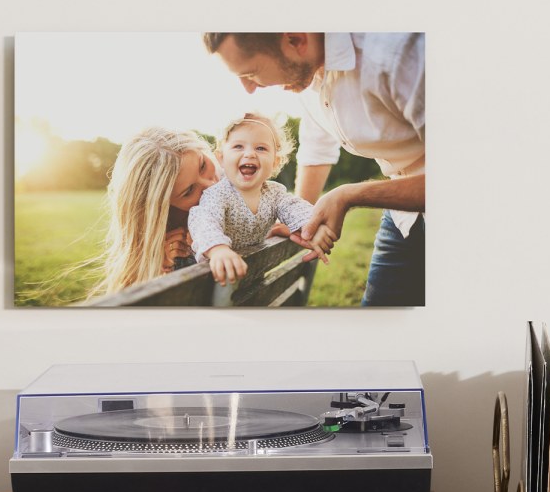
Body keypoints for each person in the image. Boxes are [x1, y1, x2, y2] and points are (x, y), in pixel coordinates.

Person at [202, 33, 425, 306]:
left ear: (296, 41)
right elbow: (316, 149)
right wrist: (303, 221)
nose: (248, 88)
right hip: (404, 217)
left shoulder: (400, 56)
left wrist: (348, 194)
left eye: (251, 72)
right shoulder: (307, 81)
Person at [188, 112, 333, 286]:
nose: (249, 154)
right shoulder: (217, 195)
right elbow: (204, 221)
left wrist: (311, 226)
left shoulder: (275, 194)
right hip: (216, 281)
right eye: (238, 146)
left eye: (261, 148)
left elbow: (295, 207)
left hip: (252, 280)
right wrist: (218, 250)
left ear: (275, 162)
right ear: (221, 158)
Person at [91, 127, 218, 296]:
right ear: (163, 208)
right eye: (188, 191)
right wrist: (162, 264)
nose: (210, 185)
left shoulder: (239, 179)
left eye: (202, 165)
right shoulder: (168, 239)